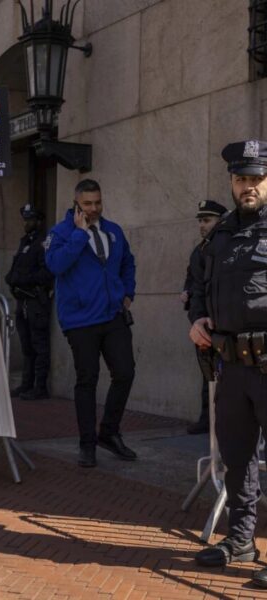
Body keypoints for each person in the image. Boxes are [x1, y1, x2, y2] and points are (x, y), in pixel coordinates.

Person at [189, 140, 267, 586]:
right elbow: (199, 283)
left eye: (256, 178)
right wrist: (197, 316)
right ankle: (240, 540)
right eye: (241, 179)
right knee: (236, 460)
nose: (248, 186)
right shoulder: (219, 234)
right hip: (232, 366)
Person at [45, 179, 136, 469]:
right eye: (88, 204)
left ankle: (108, 432)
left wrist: (128, 293)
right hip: (80, 320)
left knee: (125, 372)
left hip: (113, 316)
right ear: (76, 204)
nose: (94, 208)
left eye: (98, 202)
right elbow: (55, 265)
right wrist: (79, 235)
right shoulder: (60, 233)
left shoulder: (114, 231)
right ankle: (87, 444)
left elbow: (127, 263)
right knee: (88, 380)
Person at [180, 200, 228, 435]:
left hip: (223, 322)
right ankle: (207, 418)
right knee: (207, 375)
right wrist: (186, 291)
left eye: (206, 220)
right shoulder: (199, 250)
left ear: (221, 221)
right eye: (200, 220)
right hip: (201, 322)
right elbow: (194, 280)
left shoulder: (226, 247)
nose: (201, 225)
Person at [5, 203, 53, 401]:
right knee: (26, 345)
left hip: (35, 301)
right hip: (22, 301)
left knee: (39, 345)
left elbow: (47, 272)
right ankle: (26, 383)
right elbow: (17, 267)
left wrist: (23, 279)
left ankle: (39, 386)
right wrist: (11, 278)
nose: (26, 223)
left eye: (30, 219)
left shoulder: (44, 243)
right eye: (25, 219)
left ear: (39, 221)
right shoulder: (25, 242)